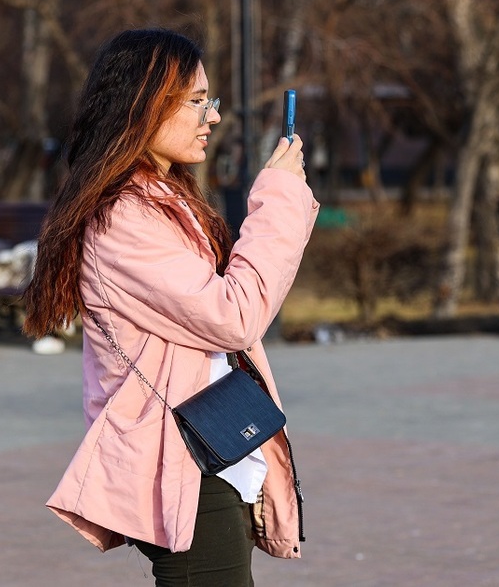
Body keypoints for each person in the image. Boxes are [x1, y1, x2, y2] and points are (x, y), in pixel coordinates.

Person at [23, 29, 319, 585]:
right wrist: (280, 195)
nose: (212, 115)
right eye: (196, 100)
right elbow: (235, 315)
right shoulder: (125, 217)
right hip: (179, 461)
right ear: (144, 105)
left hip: (208, 446)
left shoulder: (164, 200)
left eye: (211, 99)